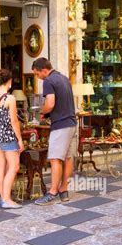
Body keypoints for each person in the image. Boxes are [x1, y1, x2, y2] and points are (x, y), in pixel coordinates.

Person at [32, 58, 77, 205]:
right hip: (72, 123)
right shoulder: (64, 78)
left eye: (37, 74)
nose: (38, 78)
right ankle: (63, 190)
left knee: (55, 159)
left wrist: (42, 112)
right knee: (68, 158)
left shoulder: (49, 81)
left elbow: (50, 104)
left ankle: (52, 192)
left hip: (61, 126)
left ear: (44, 70)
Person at [0, 69, 25, 209]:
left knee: (1, 165)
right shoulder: (10, 98)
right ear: (9, 82)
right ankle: (7, 199)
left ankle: (4, 198)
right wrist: (20, 139)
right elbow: (14, 121)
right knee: (14, 166)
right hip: (7, 135)